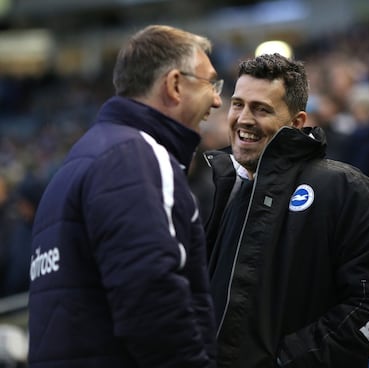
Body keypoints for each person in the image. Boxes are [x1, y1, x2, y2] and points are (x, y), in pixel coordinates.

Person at [28, 24, 223, 368]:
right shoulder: (137, 155)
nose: (218, 99)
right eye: (211, 83)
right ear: (175, 85)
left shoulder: (79, 161)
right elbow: (151, 296)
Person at [204, 53, 369, 368]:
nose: (243, 118)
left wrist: (287, 360)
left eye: (261, 109)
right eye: (238, 104)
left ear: (297, 123)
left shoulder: (344, 189)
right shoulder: (220, 188)